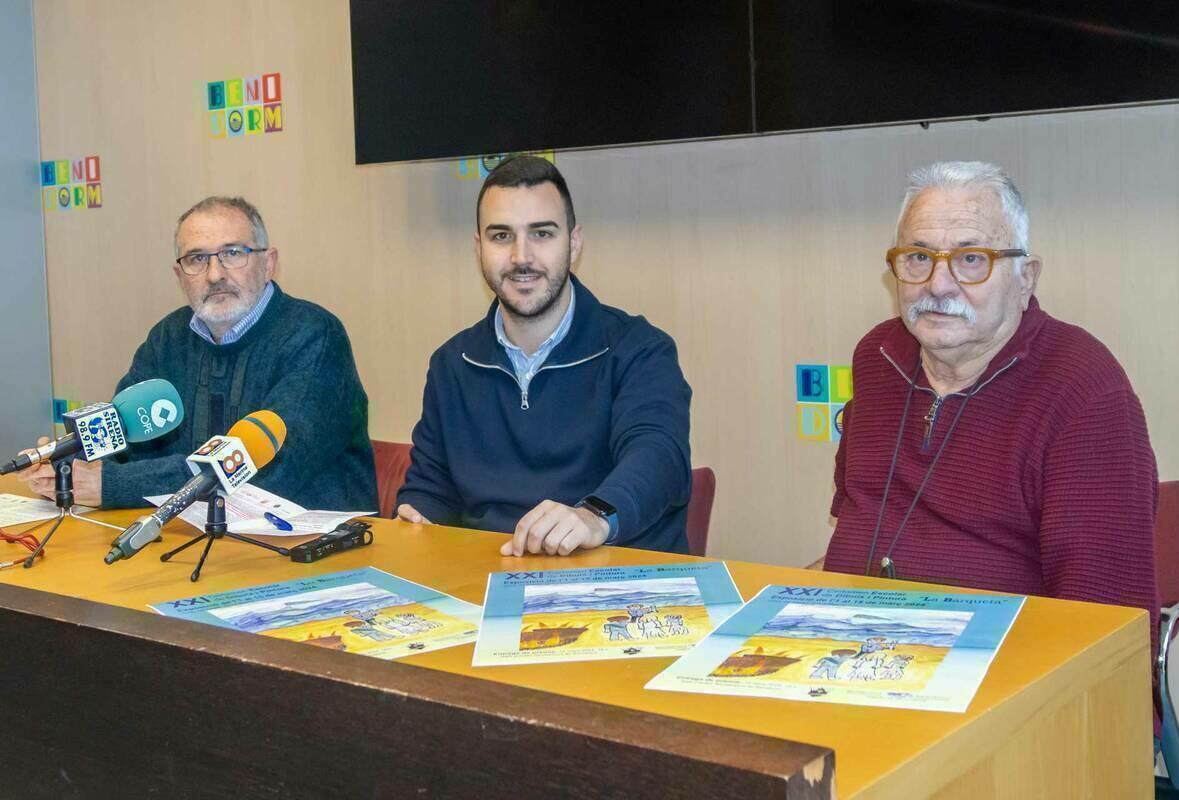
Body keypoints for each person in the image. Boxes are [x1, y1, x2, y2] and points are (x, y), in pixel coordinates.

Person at [823, 160, 1158, 667]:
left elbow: (1102, 626)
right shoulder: (878, 357)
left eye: (971, 259)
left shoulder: (1083, 387)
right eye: (918, 257)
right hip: (862, 658)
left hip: (1012, 678)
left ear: (1025, 277)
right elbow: (851, 527)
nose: (938, 284)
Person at [396, 156, 692, 556]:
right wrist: (419, 520)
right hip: (485, 590)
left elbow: (659, 459)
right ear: (479, 247)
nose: (521, 257)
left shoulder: (639, 349)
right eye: (502, 236)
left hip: (615, 590)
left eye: (542, 234)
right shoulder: (452, 363)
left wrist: (593, 516)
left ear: (574, 242)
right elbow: (430, 490)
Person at [17, 196, 377, 512]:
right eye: (197, 259)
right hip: (189, 538)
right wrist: (70, 463)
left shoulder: (314, 335)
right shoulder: (168, 337)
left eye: (233, 253)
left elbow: (264, 470)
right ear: (179, 274)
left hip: (306, 549)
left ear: (268, 264)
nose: (215, 274)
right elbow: (127, 440)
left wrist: (112, 485)